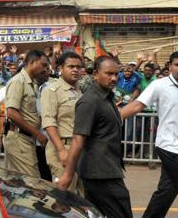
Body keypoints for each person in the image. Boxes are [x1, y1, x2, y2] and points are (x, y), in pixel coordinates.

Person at [121, 51, 178, 218]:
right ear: (170, 66)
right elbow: (137, 106)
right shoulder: (159, 85)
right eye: (177, 65)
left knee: (167, 190)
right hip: (169, 145)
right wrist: (111, 117)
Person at [57, 56, 132, 218]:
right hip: (100, 173)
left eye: (116, 74)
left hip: (108, 168)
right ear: (95, 74)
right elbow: (78, 139)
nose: (113, 78)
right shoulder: (90, 101)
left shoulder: (107, 96)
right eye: (109, 73)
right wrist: (67, 175)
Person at [41, 52, 83, 192]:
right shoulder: (52, 90)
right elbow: (49, 122)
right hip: (62, 146)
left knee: (81, 195)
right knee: (65, 196)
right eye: (71, 66)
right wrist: (61, 150)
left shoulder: (78, 90)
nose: (75, 70)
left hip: (78, 147)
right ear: (60, 68)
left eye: (78, 67)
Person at [3, 50, 50, 178]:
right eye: (43, 65)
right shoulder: (18, 81)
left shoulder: (32, 83)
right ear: (32, 62)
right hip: (19, 138)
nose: (45, 69)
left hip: (27, 139)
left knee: (20, 181)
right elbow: (11, 113)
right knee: (31, 181)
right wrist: (37, 134)